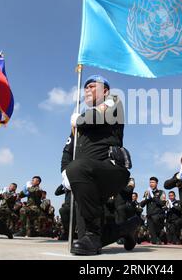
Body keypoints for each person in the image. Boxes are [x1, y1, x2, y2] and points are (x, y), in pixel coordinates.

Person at [60, 75, 140, 255]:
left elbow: (95, 116)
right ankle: (127, 228)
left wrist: (78, 119)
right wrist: (64, 172)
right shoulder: (78, 124)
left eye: (92, 86)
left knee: (77, 168)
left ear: (105, 91)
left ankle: (94, 234)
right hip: (84, 177)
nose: (87, 89)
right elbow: (67, 150)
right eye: (85, 87)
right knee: (85, 239)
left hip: (110, 170)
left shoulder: (113, 102)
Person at [140, 177, 167, 245]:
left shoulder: (161, 192)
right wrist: (147, 198)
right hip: (149, 216)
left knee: (158, 234)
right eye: (150, 182)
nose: (151, 184)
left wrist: (153, 198)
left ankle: (162, 236)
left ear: (156, 183)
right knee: (154, 241)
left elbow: (162, 203)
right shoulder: (147, 192)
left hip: (158, 216)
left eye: (153, 182)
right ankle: (157, 238)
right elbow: (142, 204)